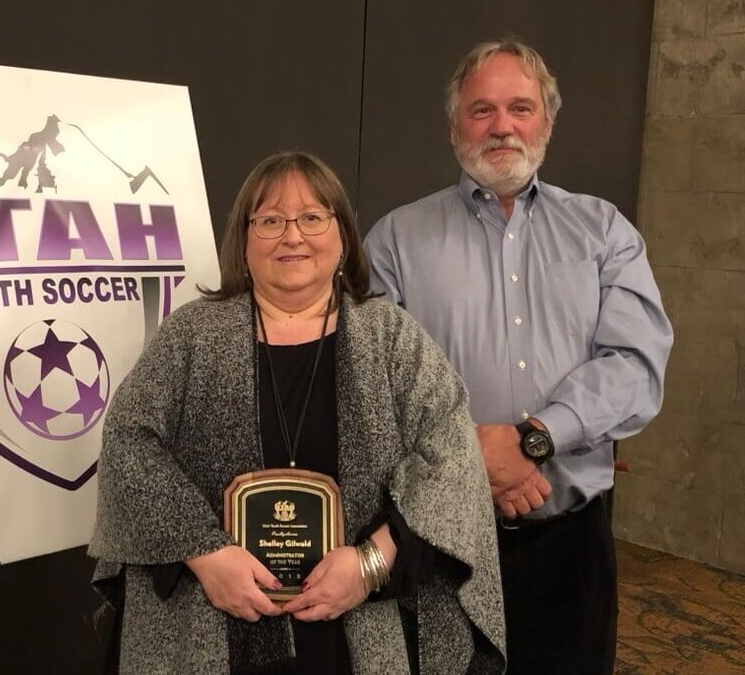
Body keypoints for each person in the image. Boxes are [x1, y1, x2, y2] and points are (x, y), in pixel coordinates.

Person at [89, 151, 506, 674]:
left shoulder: (390, 335)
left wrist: (371, 563)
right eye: (270, 221)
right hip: (211, 622)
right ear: (243, 241)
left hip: (355, 626)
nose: (292, 236)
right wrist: (205, 553)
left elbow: (452, 454)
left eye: (312, 217)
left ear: (342, 238)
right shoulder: (191, 335)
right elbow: (129, 444)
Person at [363, 40, 674, 675]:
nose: (501, 126)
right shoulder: (395, 239)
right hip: (439, 542)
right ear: (454, 127)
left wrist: (530, 441)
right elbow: (370, 383)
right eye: (481, 110)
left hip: (570, 550)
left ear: (547, 123)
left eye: (519, 108)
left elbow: (634, 364)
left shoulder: (604, 232)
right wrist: (470, 455)